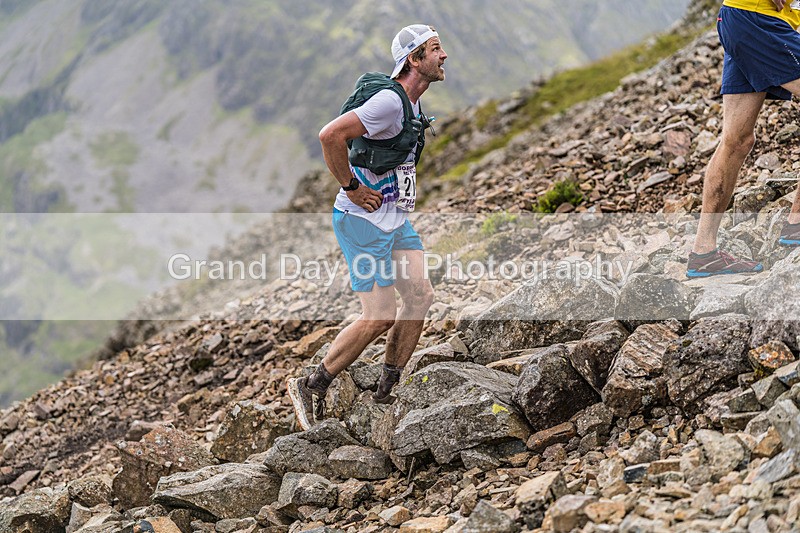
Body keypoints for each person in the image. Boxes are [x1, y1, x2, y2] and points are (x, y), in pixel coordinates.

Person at [287, 24, 446, 430]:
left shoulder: (412, 104)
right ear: (414, 59)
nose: (443, 55)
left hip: (394, 219)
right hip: (362, 221)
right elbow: (330, 135)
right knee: (379, 317)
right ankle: (312, 384)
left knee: (420, 296)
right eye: (435, 49)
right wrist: (352, 188)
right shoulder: (389, 104)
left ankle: (386, 391)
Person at [687, 0, 800, 278]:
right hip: (757, 19)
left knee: (737, 140)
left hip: (740, 19)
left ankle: (703, 254)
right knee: (735, 140)